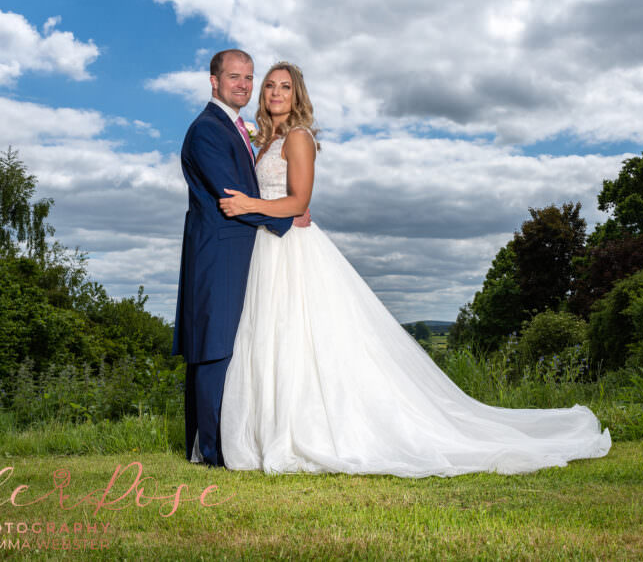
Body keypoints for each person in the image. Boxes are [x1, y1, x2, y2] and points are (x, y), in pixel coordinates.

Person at [217, 61, 611, 477]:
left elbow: (298, 202)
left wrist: (249, 204)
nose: (275, 93)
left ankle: (314, 431)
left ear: (298, 96)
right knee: (276, 338)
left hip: (294, 250)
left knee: (306, 338)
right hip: (269, 248)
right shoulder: (264, 141)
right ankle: (277, 428)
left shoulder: (298, 138)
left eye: (285, 87)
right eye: (270, 87)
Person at [173, 49, 307, 467]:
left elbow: (258, 192)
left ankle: (220, 441)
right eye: (236, 78)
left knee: (239, 346)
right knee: (214, 348)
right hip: (222, 252)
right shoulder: (209, 131)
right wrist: (288, 216)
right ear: (214, 81)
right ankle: (209, 449)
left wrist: (290, 205)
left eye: (250, 78)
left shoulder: (243, 131)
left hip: (247, 250)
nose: (245, 86)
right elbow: (233, 198)